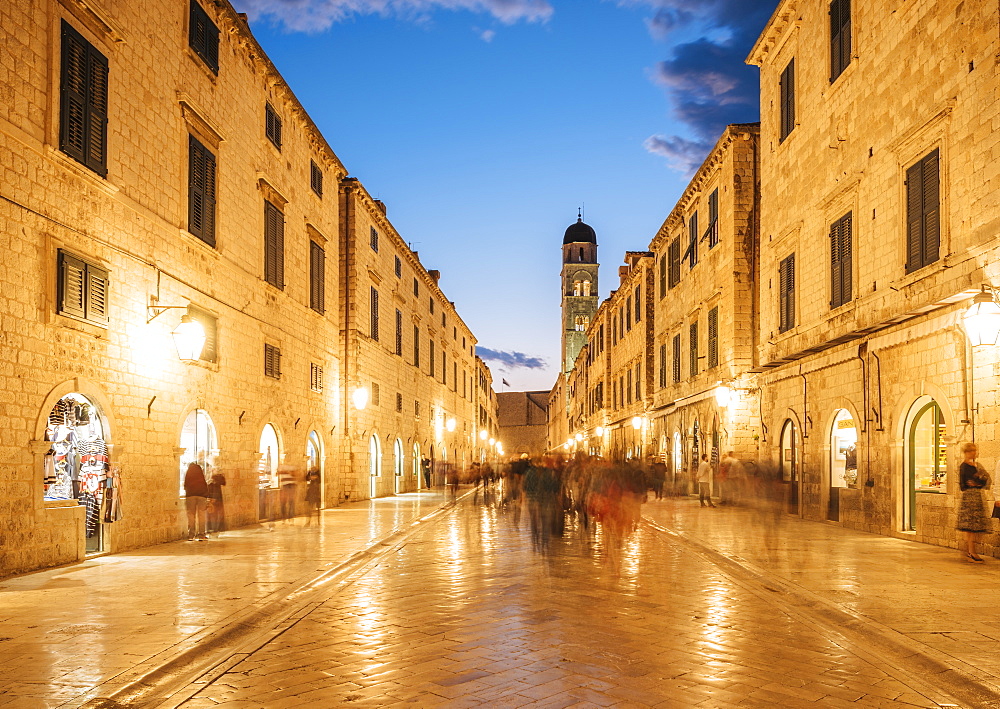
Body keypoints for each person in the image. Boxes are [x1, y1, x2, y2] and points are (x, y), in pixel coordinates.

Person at [957, 442, 991, 562]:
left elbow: (986, 479)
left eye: (974, 451)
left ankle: (969, 549)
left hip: (978, 496)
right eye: (971, 451)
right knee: (970, 526)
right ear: (966, 452)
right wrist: (976, 481)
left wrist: (978, 481)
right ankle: (971, 551)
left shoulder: (978, 465)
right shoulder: (964, 466)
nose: (974, 453)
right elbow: (963, 484)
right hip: (969, 498)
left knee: (978, 526)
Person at [183, 462, 209, 540]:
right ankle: (201, 534)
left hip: (190, 496)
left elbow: (185, 485)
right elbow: (205, 485)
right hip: (201, 496)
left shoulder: (188, 474)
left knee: (191, 516)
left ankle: (191, 535)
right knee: (201, 516)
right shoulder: (200, 474)